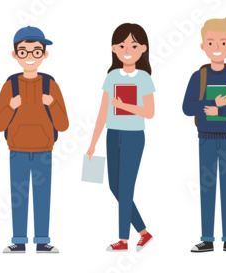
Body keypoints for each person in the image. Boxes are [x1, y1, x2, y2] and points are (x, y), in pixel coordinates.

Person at [0, 26, 69, 254]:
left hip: (44, 149)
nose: (30, 57)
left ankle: (42, 240)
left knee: (42, 195)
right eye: (23, 52)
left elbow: (63, 125)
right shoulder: (10, 85)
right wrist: (10, 106)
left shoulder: (50, 85)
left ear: (44, 55)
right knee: (18, 197)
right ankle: (19, 240)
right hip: (17, 149)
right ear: (15, 54)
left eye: (36, 52)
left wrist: (52, 103)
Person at [181, 17, 226, 253]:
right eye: (211, 43)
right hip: (206, 138)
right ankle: (207, 239)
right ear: (203, 46)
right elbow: (187, 108)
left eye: (223, 42)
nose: (217, 48)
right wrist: (210, 104)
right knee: (207, 186)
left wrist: (220, 109)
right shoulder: (198, 77)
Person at [84, 23, 156, 253]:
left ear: (143, 48)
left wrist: (124, 105)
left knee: (125, 188)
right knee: (115, 186)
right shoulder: (112, 76)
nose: (127, 49)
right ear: (114, 48)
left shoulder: (143, 78)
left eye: (133, 45)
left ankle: (123, 240)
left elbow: (149, 112)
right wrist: (93, 143)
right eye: (122, 45)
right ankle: (144, 232)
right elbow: (103, 111)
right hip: (112, 135)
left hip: (134, 136)